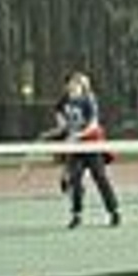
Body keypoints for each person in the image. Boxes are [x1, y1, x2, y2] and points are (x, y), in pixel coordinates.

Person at [45, 72, 121, 228]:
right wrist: (57, 134)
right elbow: (63, 125)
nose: (73, 86)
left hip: (92, 145)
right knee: (75, 180)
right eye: (71, 83)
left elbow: (93, 125)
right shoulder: (62, 103)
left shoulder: (89, 100)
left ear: (82, 86)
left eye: (77, 83)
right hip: (76, 149)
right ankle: (76, 215)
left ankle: (114, 212)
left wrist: (77, 135)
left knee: (100, 177)